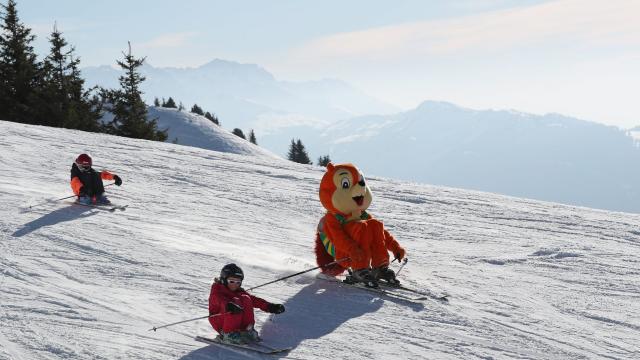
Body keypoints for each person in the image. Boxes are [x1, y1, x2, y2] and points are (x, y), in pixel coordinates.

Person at [315, 162, 406, 288]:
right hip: (345, 253)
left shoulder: (362, 214)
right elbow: (338, 239)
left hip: (358, 252)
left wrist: (396, 248)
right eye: (346, 184)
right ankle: (359, 270)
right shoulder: (332, 218)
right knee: (362, 227)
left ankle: (379, 267)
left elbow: (383, 235)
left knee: (375, 225)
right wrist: (353, 250)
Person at [208, 264, 285, 344]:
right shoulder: (217, 290)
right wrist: (228, 305)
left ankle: (246, 331)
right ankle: (228, 334)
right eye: (231, 281)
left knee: (246, 298)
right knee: (236, 300)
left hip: (235, 321)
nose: (235, 284)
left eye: (238, 282)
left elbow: (254, 300)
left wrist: (269, 306)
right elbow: (219, 300)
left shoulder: (239, 291)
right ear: (224, 280)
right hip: (220, 321)